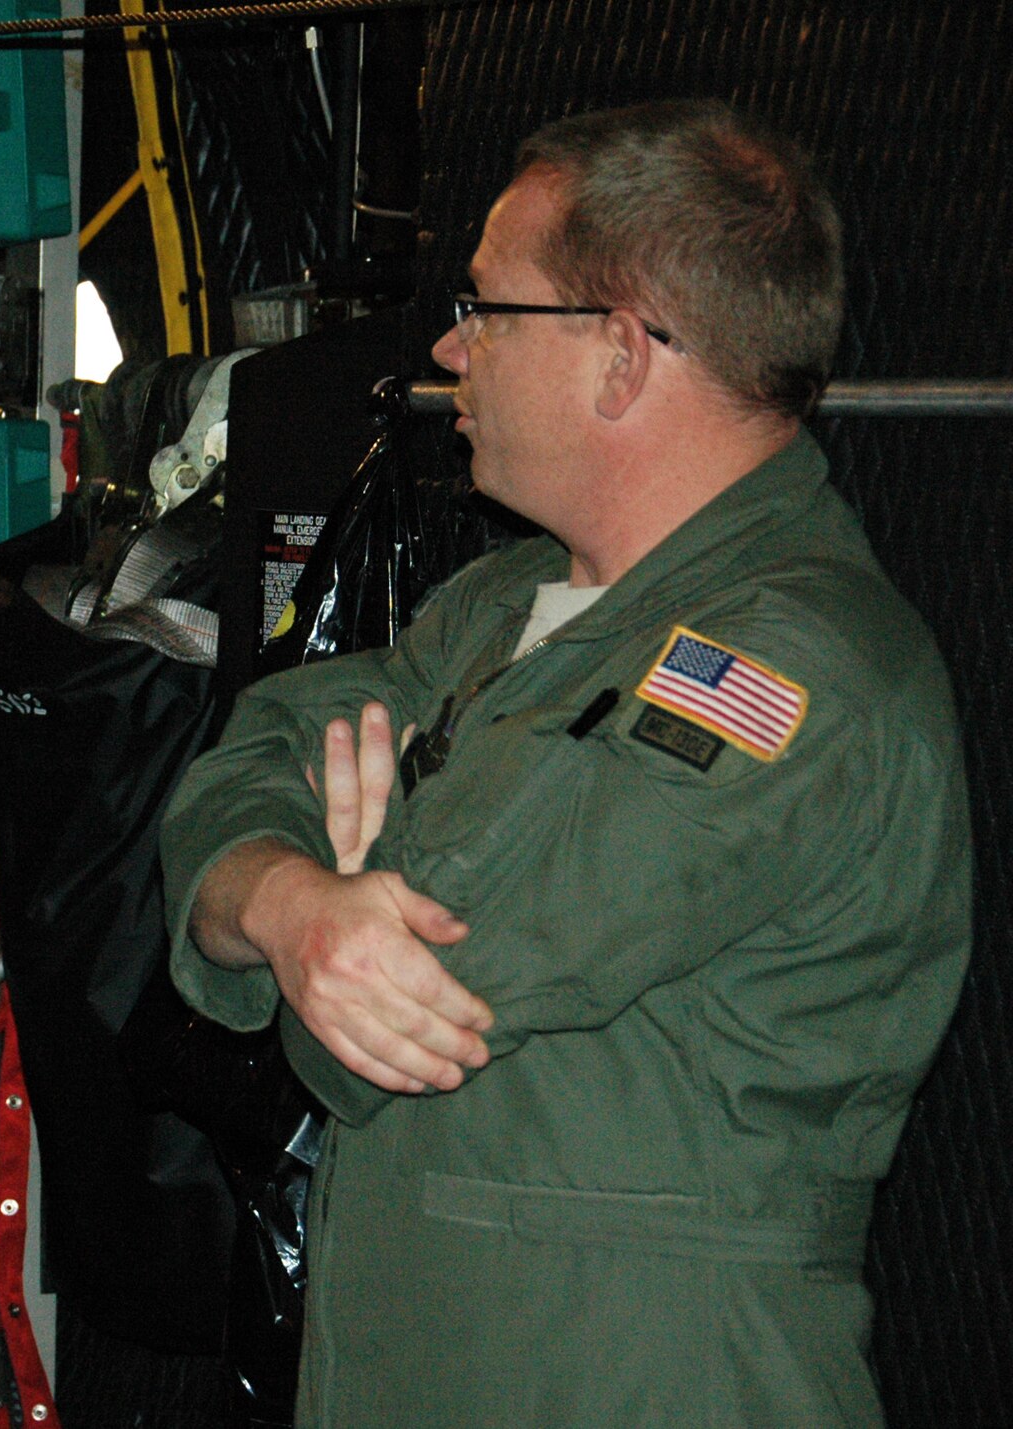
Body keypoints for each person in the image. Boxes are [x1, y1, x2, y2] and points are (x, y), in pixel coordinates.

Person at [162, 99, 970, 1425]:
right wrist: (288, 897)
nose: (447, 349)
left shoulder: (790, 673)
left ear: (619, 356)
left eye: (486, 308)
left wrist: (337, 907)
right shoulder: (506, 602)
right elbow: (250, 749)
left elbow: (404, 991)